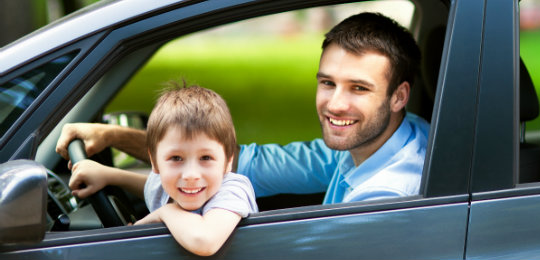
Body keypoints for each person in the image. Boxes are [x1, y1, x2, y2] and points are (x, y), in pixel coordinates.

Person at [57, 12, 429, 205]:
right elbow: (239, 164)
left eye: (359, 88)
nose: (334, 104)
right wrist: (113, 138)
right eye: (327, 82)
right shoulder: (387, 136)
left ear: (398, 96)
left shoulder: (386, 197)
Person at [77, 83, 258, 256]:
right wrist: (110, 175)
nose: (190, 175)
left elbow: (204, 241)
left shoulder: (233, 190)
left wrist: (164, 213)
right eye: (176, 158)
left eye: (206, 158)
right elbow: (152, 185)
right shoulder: (165, 186)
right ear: (154, 162)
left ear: (228, 162)